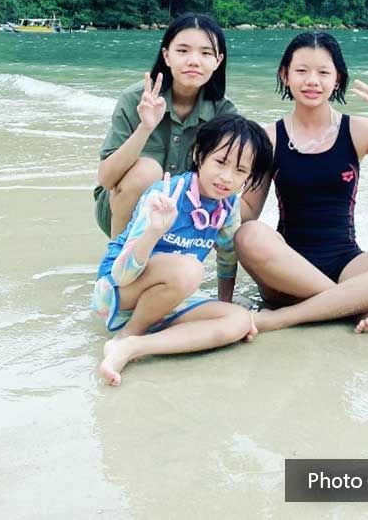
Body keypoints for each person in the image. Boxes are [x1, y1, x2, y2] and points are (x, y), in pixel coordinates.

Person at [236, 31, 368, 334]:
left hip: (347, 265)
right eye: (302, 71)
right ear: (285, 75)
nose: (312, 81)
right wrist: (204, 194)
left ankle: (285, 318)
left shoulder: (359, 130)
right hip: (284, 270)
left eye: (323, 72)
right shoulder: (269, 138)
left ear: (337, 79)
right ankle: (352, 305)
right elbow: (248, 211)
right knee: (249, 235)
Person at [93, 114, 273, 386]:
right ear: (200, 155)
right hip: (118, 292)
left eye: (240, 170)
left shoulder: (227, 206)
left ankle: (136, 346)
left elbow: (227, 257)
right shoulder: (167, 194)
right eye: (220, 162)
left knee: (238, 321)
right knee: (190, 269)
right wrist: (153, 231)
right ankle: (126, 336)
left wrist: (223, 305)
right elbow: (121, 275)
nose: (226, 177)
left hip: (169, 297)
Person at [95, 13, 235, 238]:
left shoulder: (224, 113)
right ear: (166, 56)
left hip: (185, 211)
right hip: (120, 208)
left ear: (218, 61)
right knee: (146, 171)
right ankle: (117, 260)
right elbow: (106, 179)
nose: (193, 60)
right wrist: (146, 127)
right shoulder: (135, 99)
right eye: (182, 51)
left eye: (206, 53)